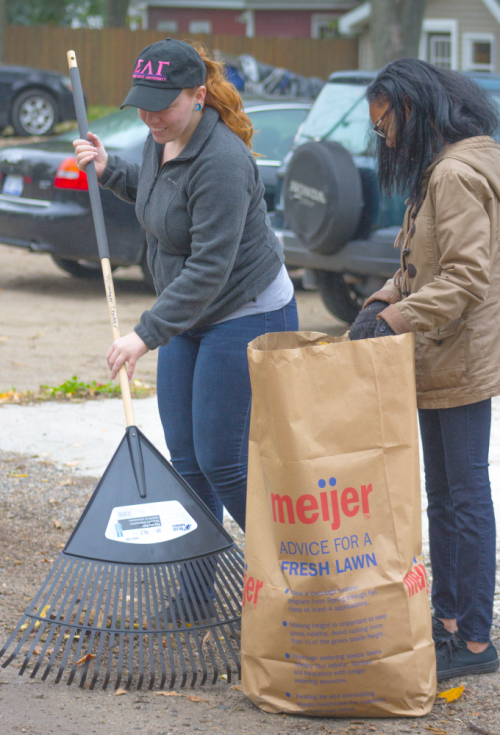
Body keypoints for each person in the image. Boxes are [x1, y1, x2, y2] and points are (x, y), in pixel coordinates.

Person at [73, 38, 298, 538]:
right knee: (187, 458)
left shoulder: (222, 161)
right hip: (190, 312)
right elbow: (162, 198)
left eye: (163, 106)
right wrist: (111, 172)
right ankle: (200, 582)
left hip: (247, 310)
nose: (151, 118)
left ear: (197, 95)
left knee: (222, 460)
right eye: (143, 106)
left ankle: (292, 569)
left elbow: (209, 268)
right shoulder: (162, 140)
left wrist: (144, 334)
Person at [350, 58, 500, 681]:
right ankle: (445, 623)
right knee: (442, 496)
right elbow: (422, 266)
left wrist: (397, 321)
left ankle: (475, 643)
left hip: (458, 356)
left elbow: (467, 276)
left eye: (384, 124)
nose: (383, 139)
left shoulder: (457, 176)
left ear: (412, 108)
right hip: (435, 353)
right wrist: (381, 301)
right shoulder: (438, 171)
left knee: (464, 496)